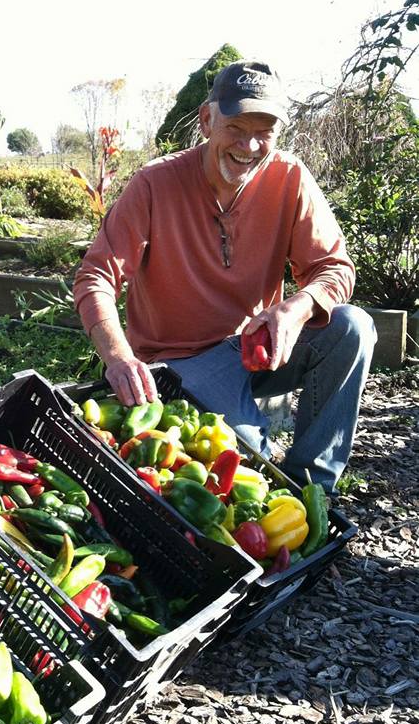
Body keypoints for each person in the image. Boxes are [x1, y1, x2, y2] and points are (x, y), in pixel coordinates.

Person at [73, 59, 376, 493]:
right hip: (180, 363)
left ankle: (313, 486)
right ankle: (265, 474)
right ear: (206, 121)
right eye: (236, 127)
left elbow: (334, 268)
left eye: (264, 131)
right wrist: (118, 358)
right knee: (245, 459)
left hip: (253, 349)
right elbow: (95, 278)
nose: (250, 145)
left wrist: (294, 309)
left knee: (352, 327)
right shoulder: (155, 184)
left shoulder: (289, 178)